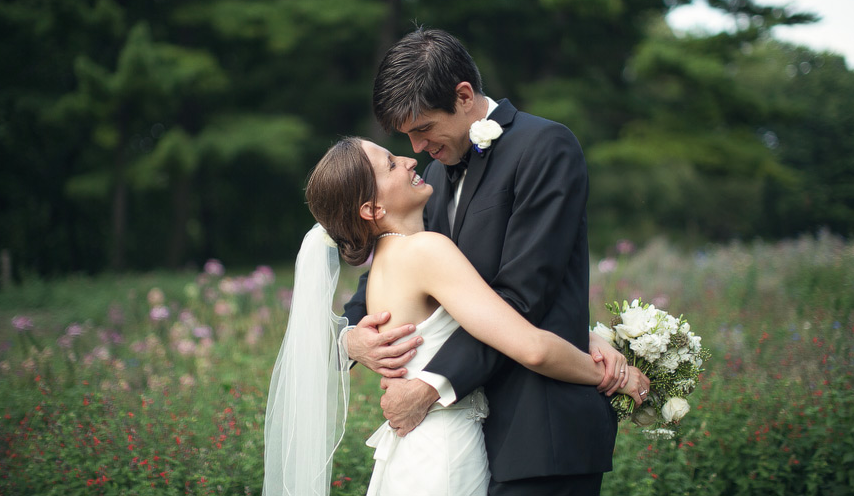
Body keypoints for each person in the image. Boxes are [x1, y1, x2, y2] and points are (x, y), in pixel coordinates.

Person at [262, 137, 648, 496]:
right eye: (392, 164)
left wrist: (582, 334)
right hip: (445, 451)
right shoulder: (426, 252)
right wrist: (615, 375)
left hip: (414, 448)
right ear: (373, 209)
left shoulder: (387, 262)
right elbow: (531, 348)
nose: (412, 159)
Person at [343, 27, 634, 495]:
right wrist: (351, 340)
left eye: (422, 129)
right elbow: (385, 281)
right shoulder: (432, 179)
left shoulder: (545, 148)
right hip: (460, 441)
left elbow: (520, 298)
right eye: (407, 136)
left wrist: (430, 386)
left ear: (462, 96)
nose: (416, 149)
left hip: (539, 434)